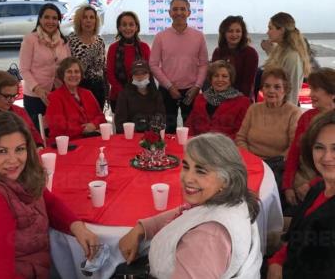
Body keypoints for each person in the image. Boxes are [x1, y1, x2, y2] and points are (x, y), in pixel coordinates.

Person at [119, 133, 262, 278]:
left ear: (226, 179)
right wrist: (142, 228)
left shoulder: (206, 239)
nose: (187, 178)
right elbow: (188, 213)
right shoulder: (233, 200)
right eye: (186, 167)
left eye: (201, 171)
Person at [0, 112, 99, 278]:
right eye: (1, 151)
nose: (13, 160)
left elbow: (47, 200)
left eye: (19, 149)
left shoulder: (21, 177)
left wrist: (76, 226)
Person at [267, 110, 335, 279]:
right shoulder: (318, 187)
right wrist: (276, 262)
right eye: (319, 147)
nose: (327, 157)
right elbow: (295, 236)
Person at [149, 0, 208, 134]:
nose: (179, 12)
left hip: (191, 91)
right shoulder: (160, 37)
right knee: (167, 129)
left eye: (183, 9)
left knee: (192, 129)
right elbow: (153, 64)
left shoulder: (198, 36)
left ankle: (190, 155)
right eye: (175, 9)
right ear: (169, 13)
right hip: (167, 91)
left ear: (189, 12)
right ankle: (168, 155)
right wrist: (169, 86)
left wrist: (197, 86)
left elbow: (204, 64)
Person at [236, 67, 302, 187]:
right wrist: (252, 160)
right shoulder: (253, 108)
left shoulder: (293, 112)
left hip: (276, 167)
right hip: (249, 162)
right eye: (267, 86)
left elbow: (293, 147)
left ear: (285, 90)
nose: (271, 91)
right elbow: (240, 138)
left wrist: (269, 165)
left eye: (277, 87)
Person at [282, 67, 335, 207]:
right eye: (311, 89)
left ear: (332, 93)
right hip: (302, 176)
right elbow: (294, 151)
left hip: (325, 180)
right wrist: (287, 186)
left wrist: (312, 185)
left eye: (316, 89)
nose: (310, 94)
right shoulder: (307, 117)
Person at [19, 3, 70, 130]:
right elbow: (24, 69)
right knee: (38, 132)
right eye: (47, 17)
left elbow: (67, 66)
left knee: (57, 131)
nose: (50, 21)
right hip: (35, 95)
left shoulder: (64, 42)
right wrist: (38, 89)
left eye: (54, 18)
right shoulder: (30, 39)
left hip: (58, 94)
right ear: (40, 19)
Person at [186, 60, 250, 139]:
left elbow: (241, 132)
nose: (220, 79)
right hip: (198, 143)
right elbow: (190, 125)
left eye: (224, 76)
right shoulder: (200, 98)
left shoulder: (243, 102)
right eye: (216, 76)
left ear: (230, 80)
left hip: (225, 146)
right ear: (211, 79)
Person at [46, 57, 106, 141]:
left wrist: (93, 125)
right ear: (62, 75)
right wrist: (83, 129)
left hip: (91, 140)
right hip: (66, 144)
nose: (73, 75)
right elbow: (57, 127)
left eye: (77, 72)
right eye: (69, 72)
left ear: (81, 75)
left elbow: (101, 117)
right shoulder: (55, 97)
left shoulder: (87, 93)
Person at [261, 12, 311, 104]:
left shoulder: (293, 56)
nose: (267, 32)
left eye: (270, 28)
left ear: (281, 30)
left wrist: (287, 114)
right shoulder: (279, 50)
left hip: (285, 111)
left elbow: (292, 91)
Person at [0, 70, 44, 147]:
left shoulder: (19, 111)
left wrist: (39, 145)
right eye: (7, 96)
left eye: (14, 96)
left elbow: (33, 133)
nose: (12, 100)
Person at [107, 11, 151, 112]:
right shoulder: (113, 48)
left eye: (131, 24)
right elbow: (110, 75)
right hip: (118, 98)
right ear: (119, 28)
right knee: (120, 127)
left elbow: (149, 72)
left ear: (136, 27)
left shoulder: (144, 47)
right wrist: (124, 93)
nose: (128, 28)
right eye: (124, 25)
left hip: (141, 96)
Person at [68, 5, 107, 109]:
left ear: (96, 21)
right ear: (79, 20)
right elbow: (66, 67)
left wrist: (107, 89)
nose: (88, 21)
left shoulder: (100, 41)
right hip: (78, 87)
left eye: (91, 17)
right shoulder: (71, 40)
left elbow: (103, 67)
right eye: (85, 17)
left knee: (98, 121)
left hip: (98, 88)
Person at [211, 15, 259, 98]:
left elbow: (247, 84)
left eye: (238, 31)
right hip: (218, 95)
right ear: (224, 33)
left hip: (241, 97)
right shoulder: (217, 52)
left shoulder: (251, 53)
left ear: (243, 33)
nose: (234, 34)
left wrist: (238, 100)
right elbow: (213, 77)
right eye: (230, 31)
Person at [115, 60, 165, 133]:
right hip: (130, 136)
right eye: (136, 74)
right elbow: (119, 122)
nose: (140, 77)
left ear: (149, 75)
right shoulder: (123, 95)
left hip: (151, 136)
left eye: (143, 73)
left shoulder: (156, 95)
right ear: (132, 76)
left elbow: (162, 116)